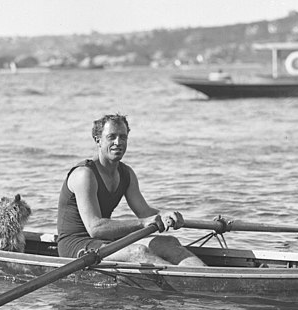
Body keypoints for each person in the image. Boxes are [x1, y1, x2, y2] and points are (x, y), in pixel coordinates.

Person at [56, 114, 206, 266]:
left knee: (168, 242)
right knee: (138, 252)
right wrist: (142, 223)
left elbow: (145, 213)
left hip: (103, 242)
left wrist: (165, 215)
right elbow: (96, 228)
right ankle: (186, 282)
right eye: (111, 137)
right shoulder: (84, 175)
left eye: (123, 137)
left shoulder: (126, 173)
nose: (118, 142)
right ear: (98, 140)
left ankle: (203, 275)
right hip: (75, 246)